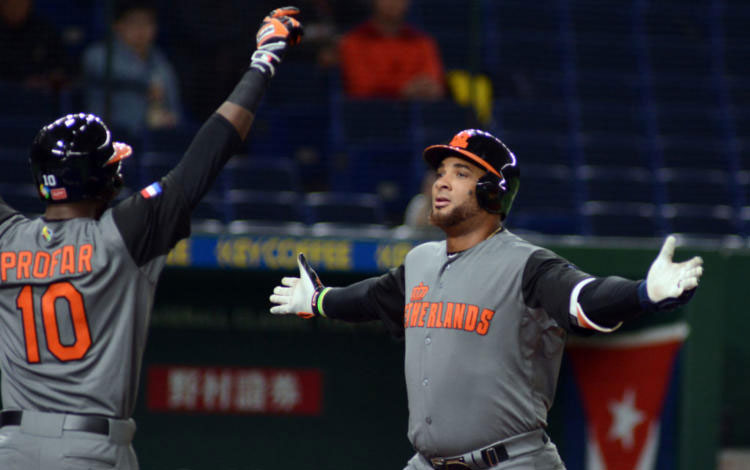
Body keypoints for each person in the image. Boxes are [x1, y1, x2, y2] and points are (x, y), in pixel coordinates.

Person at [269, 128, 704, 469]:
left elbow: (582, 297)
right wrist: (321, 299)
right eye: (441, 172)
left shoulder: (527, 265)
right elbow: (372, 298)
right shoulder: (420, 261)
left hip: (512, 462)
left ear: (492, 192)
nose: (441, 182)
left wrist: (642, 294)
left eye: (461, 174)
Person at [0, 7, 302, 470]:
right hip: (89, 449)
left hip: (11, 447)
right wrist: (263, 61)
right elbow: (210, 151)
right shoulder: (125, 232)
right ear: (105, 180)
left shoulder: (6, 236)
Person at [82, 1, 183, 133]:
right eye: (134, 23)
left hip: (153, 137)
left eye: (147, 23)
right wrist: (148, 82)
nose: (141, 29)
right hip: (109, 136)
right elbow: (98, 67)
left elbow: (172, 101)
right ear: (117, 26)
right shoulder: (99, 54)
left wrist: (172, 118)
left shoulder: (159, 59)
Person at [339, 0, 445, 100]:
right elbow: (360, 88)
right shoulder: (354, 41)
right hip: (370, 115)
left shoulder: (422, 42)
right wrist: (402, 91)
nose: (394, 2)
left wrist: (423, 88)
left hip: (419, 114)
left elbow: (432, 83)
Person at [0, 0, 70, 91]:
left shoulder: (44, 31)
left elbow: (62, 66)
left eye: (20, 2)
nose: (15, 7)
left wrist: (52, 76)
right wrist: (22, 81)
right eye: (10, 3)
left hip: (41, 96)